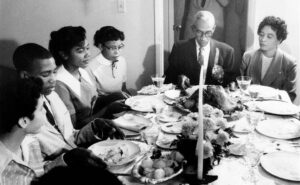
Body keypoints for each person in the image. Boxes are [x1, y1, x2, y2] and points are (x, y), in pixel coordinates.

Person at [13, 43, 124, 162]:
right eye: (46, 74)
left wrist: (95, 128)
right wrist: (67, 160)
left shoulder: (52, 96)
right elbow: (33, 171)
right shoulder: (22, 116)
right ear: (25, 76)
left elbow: (69, 137)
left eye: (54, 72)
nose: (53, 79)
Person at [48, 26, 129, 129]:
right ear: (64, 54)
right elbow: (73, 127)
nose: (88, 54)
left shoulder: (82, 70)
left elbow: (94, 102)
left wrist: (116, 95)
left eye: (87, 48)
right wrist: (107, 109)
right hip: (82, 134)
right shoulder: (59, 83)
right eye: (80, 51)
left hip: (96, 124)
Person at [165, 10, 236, 88]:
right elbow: (169, 77)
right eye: (199, 32)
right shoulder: (179, 48)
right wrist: (179, 78)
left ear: (213, 29)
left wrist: (221, 77)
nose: (203, 37)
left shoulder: (227, 52)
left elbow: (232, 84)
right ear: (193, 28)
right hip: (186, 97)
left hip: (212, 98)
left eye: (208, 32)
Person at [240, 16, 297, 101]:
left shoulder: (289, 63)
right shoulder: (248, 57)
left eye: (269, 36)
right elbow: (239, 89)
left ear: (279, 40)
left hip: (275, 111)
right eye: (261, 35)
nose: (263, 39)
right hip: (249, 109)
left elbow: (289, 97)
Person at [87, 26, 130, 96]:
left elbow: (123, 88)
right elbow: (93, 99)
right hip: (104, 105)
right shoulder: (90, 67)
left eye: (120, 47)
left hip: (121, 102)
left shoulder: (122, 60)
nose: (117, 52)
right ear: (101, 47)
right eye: (113, 48)